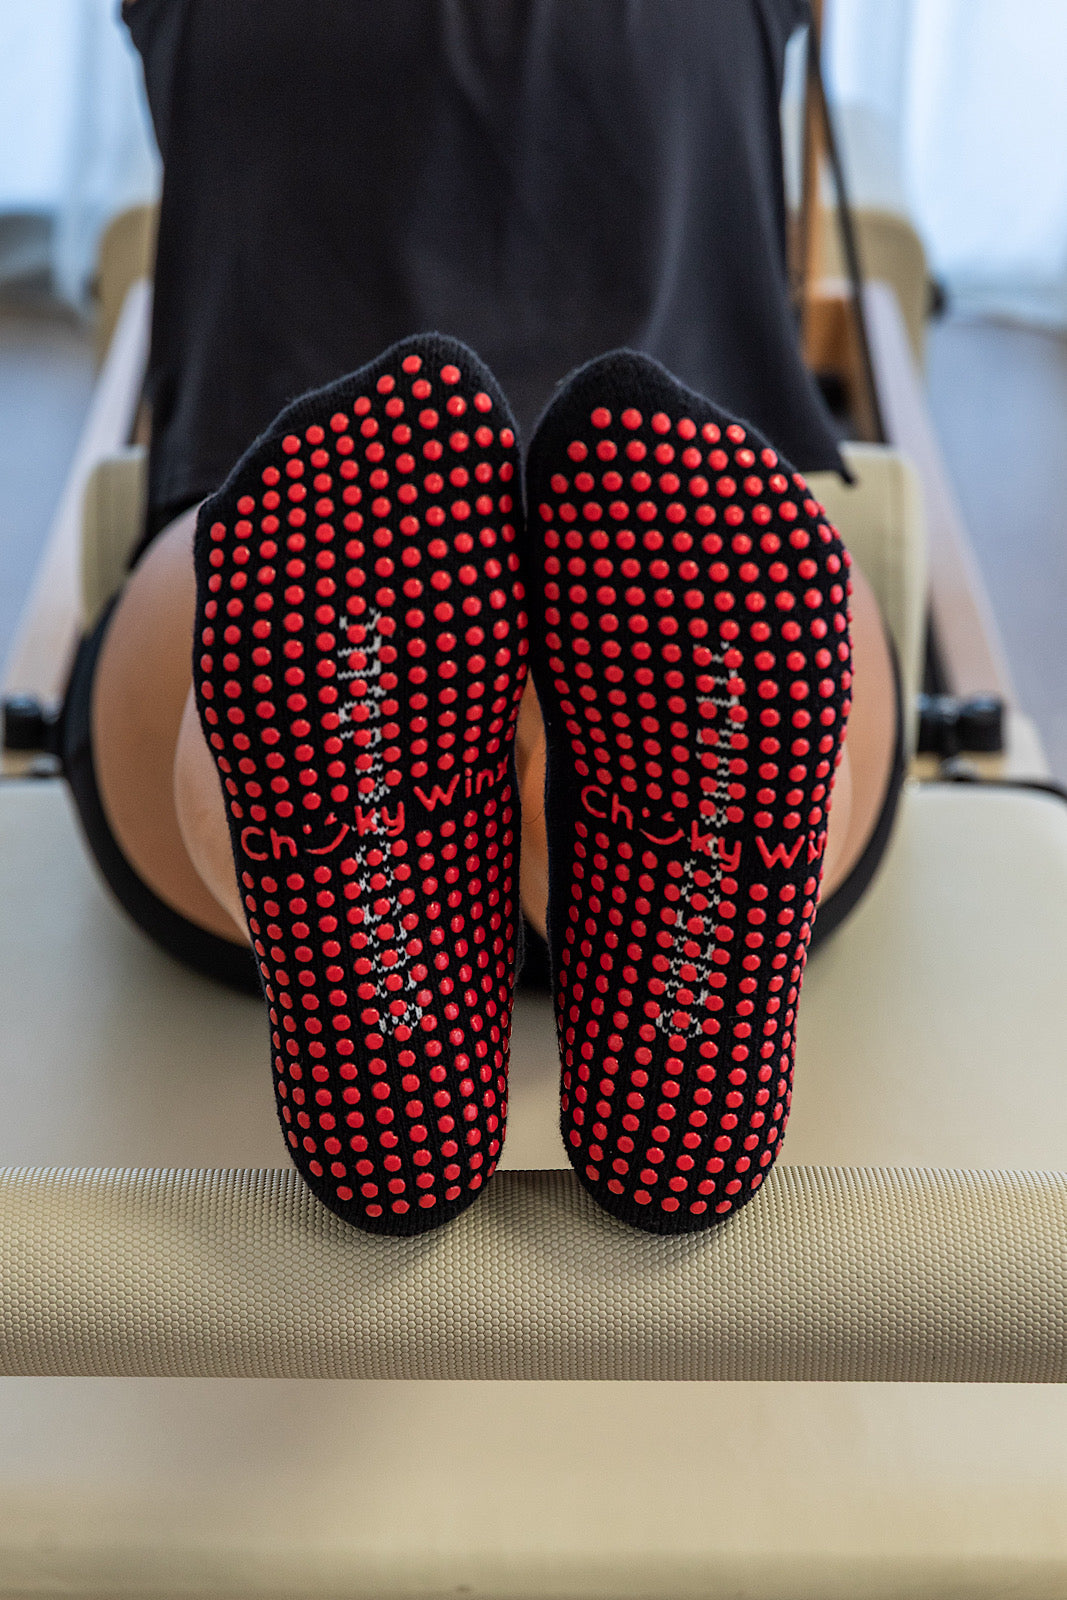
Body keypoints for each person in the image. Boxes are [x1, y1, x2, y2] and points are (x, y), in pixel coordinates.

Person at [60, 0, 903, 1235]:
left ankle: (319, 894)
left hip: (300, 547)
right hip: (704, 557)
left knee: (241, 618)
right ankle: (679, 867)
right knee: (773, 635)